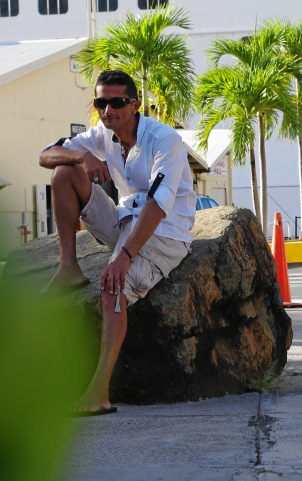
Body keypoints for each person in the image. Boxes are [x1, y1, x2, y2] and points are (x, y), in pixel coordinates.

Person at [39, 70, 196, 415]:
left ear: (135, 104)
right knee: (63, 172)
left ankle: (99, 392)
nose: (108, 110)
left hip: (165, 233)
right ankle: (68, 266)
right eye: (100, 102)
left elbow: (157, 203)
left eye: (116, 102)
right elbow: (44, 155)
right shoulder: (103, 135)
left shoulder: (163, 139)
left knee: (114, 284)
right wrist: (80, 157)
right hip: (124, 220)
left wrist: (124, 257)